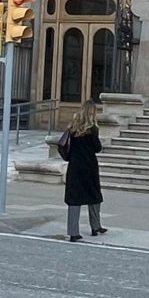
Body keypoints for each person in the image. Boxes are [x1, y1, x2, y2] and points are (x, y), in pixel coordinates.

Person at [56, 100, 105, 241]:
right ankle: (95, 226)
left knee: (74, 199)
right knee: (94, 196)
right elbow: (97, 148)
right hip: (89, 167)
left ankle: (73, 232)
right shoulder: (93, 129)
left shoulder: (72, 128)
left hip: (75, 167)